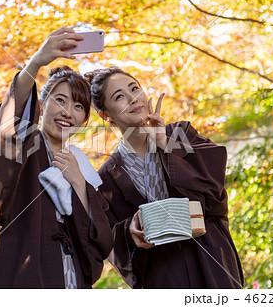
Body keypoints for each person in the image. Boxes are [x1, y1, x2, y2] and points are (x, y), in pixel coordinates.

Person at [85, 67, 244, 288]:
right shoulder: (106, 177)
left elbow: (213, 192)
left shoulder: (182, 133)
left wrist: (164, 143)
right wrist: (130, 231)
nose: (133, 99)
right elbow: (107, 239)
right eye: (119, 96)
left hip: (210, 259)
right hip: (162, 274)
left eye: (134, 89)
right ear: (106, 115)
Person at [0, 27, 113, 288]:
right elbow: (6, 137)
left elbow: (100, 244)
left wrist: (80, 186)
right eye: (59, 100)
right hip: (24, 274)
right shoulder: (25, 145)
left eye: (78, 106)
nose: (67, 112)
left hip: (71, 279)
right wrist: (36, 62)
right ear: (42, 103)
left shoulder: (81, 166)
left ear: (85, 119)